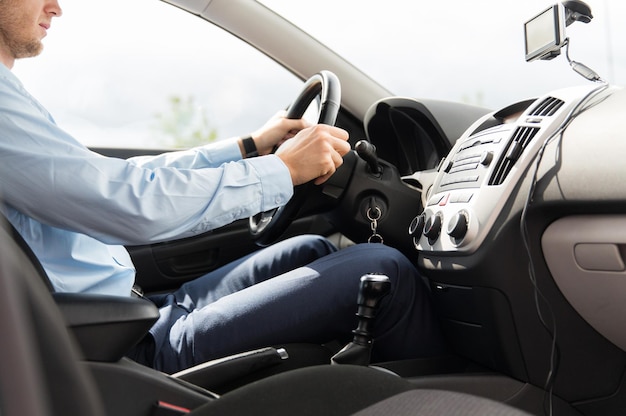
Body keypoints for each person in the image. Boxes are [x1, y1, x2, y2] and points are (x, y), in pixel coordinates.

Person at [0, 0, 445, 373]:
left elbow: (116, 179)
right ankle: (448, 400)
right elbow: (129, 203)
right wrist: (283, 171)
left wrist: (248, 147)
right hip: (122, 349)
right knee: (385, 270)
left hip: (131, 314)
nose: (57, 7)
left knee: (311, 249)